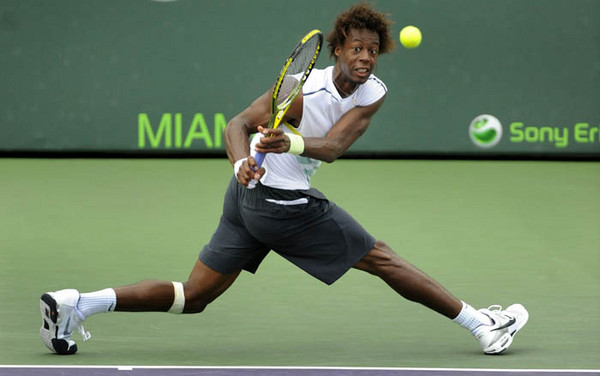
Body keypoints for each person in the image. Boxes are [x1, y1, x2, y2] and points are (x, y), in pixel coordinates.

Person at [39, 3, 528, 356]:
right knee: (380, 257)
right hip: (275, 203)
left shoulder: (372, 91)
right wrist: (240, 162)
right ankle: (480, 325)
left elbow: (334, 147)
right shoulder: (298, 90)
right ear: (337, 49)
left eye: (373, 50)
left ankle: (77, 305)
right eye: (356, 48)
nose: (365, 57)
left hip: (249, 201)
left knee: (195, 296)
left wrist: (285, 146)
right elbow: (237, 125)